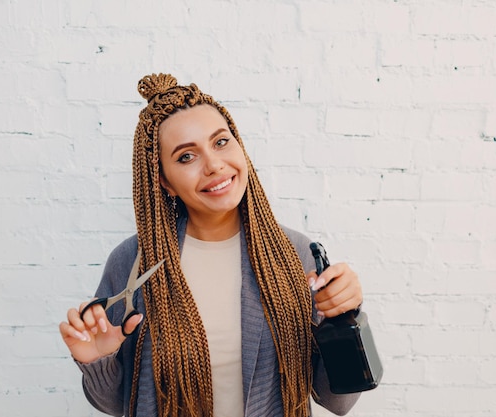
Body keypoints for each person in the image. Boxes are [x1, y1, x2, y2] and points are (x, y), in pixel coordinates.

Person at [59, 73, 364, 417]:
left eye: (220, 142)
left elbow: (337, 401)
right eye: (186, 157)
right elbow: (116, 404)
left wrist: (344, 316)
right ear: (165, 181)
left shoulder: (295, 254)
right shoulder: (132, 263)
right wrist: (98, 361)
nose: (214, 165)